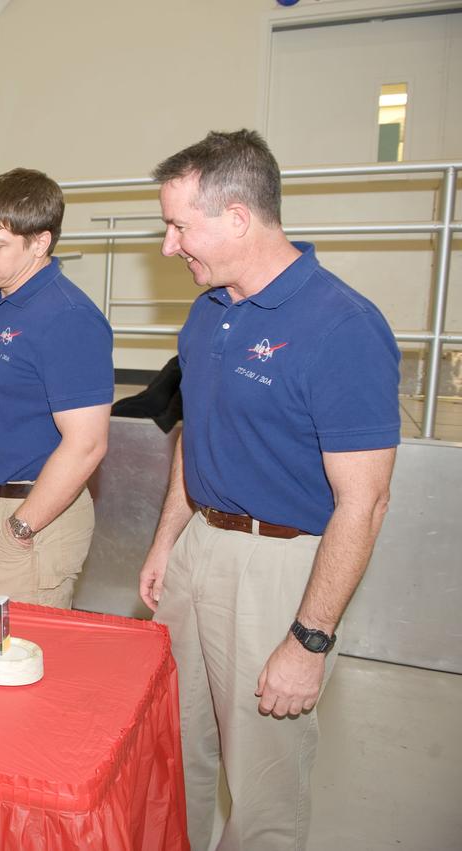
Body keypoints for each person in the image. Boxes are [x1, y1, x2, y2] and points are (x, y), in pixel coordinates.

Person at [137, 130, 400, 851]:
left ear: (237, 219)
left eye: (179, 226)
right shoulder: (206, 311)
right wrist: (168, 541)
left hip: (281, 570)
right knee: (171, 751)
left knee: (264, 791)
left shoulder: (341, 326)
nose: (168, 245)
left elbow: (365, 501)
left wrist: (308, 639)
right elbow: (195, 431)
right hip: (198, 551)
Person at [0, 169, 114, 608]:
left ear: (40, 243)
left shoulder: (67, 318)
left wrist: (22, 526)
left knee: (19, 659)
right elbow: (3, 407)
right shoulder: (5, 304)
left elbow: (87, 444)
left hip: (32, 518)